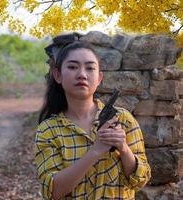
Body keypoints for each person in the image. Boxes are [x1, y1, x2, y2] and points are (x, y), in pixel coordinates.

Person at [34, 32, 151, 200]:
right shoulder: (48, 130)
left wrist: (124, 148)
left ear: (99, 78)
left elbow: (141, 180)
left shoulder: (123, 119)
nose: (82, 74)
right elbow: (53, 191)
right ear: (57, 75)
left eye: (90, 68)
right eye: (73, 67)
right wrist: (95, 151)